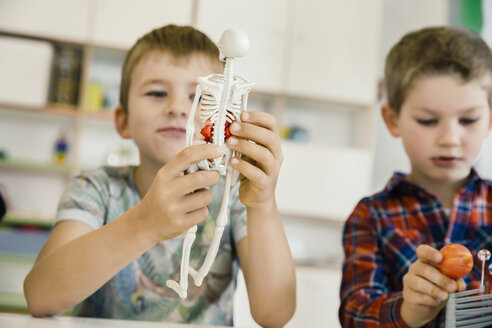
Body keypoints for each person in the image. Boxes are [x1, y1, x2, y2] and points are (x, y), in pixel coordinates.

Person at [24, 24, 296, 327]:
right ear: (123, 121)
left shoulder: (235, 197)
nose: (178, 107)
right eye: (156, 93)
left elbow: (275, 314)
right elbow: (40, 297)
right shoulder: (96, 189)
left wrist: (262, 203)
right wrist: (145, 223)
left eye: (198, 95)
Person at [339, 26, 492, 327]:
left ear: (489, 120)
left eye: (468, 120)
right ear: (393, 120)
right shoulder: (371, 215)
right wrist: (409, 310)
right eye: (428, 120)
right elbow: (354, 314)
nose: (449, 138)